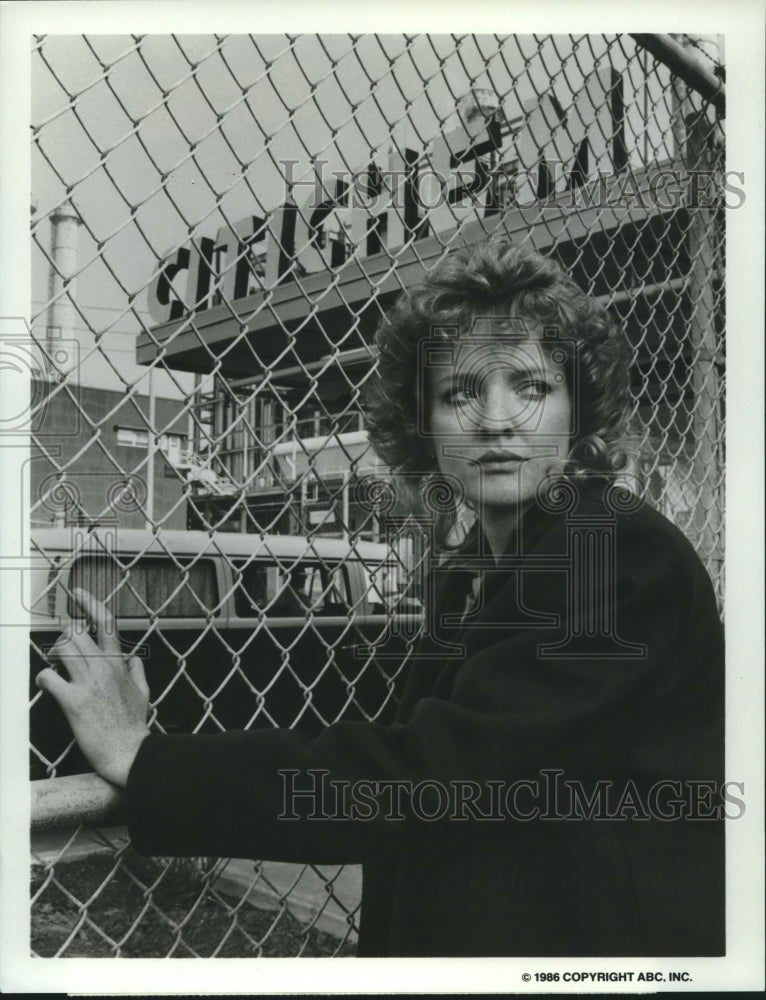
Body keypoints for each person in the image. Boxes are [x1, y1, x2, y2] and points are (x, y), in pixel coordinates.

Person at [37, 239, 725, 957]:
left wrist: (146, 759)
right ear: (421, 423)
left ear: (577, 410)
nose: (497, 420)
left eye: (529, 386)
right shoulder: (476, 572)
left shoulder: (611, 544)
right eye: (460, 393)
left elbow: (432, 776)